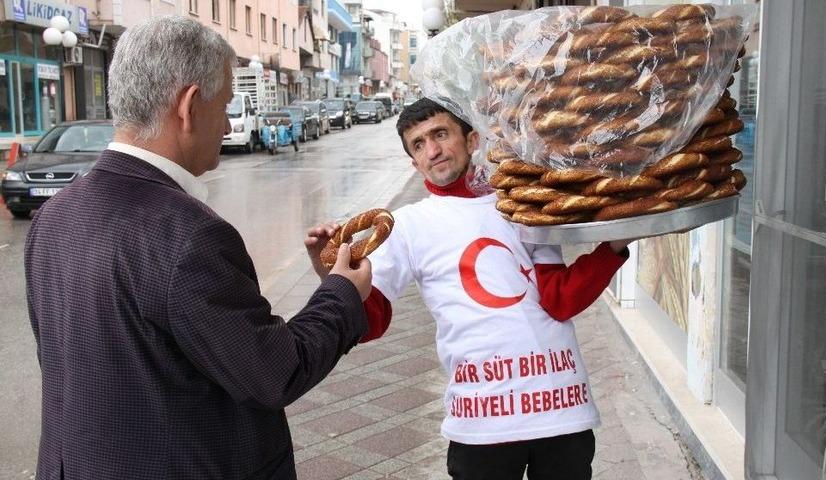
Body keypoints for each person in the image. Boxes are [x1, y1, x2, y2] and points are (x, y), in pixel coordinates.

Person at [25, 16, 370, 480]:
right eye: (225, 104)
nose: (228, 125)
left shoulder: (55, 216)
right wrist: (341, 292)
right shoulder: (189, 235)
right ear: (189, 105)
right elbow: (274, 371)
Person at [306, 98, 634, 480]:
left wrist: (614, 245)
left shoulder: (521, 203)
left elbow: (560, 300)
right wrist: (328, 270)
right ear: (414, 163)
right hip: (482, 420)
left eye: (440, 134)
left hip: (560, 408)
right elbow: (371, 320)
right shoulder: (408, 226)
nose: (432, 150)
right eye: (418, 144)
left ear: (471, 138)